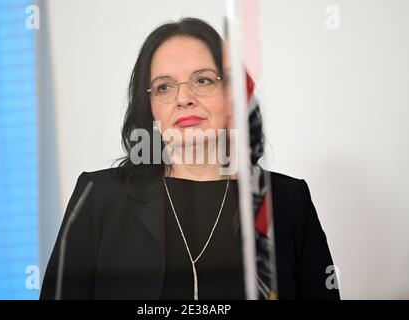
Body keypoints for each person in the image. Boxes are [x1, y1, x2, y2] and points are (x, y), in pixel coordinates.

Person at [40, 17, 340, 300]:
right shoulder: (99, 196)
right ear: (150, 108)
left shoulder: (288, 201)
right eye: (164, 87)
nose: (184, 99)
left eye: (203, 80)